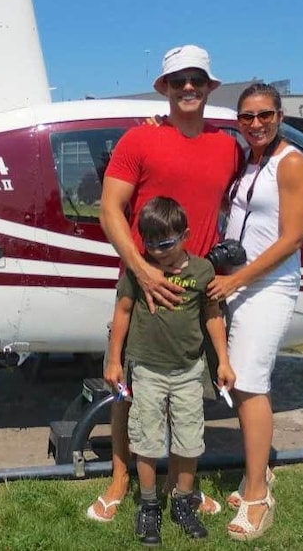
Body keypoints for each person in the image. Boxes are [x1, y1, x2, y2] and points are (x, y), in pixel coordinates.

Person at [87, 44, 243, 523]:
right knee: (129, 388)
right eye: (179, 81)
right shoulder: (139, 141)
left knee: (188, 390)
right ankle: (120, 479)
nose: (189, 87)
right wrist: (142, 270)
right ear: (165, 88)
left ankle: (182, 490)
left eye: (197, 79)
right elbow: (109, 210)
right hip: (145, 282)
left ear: (210, 86)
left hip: (199, 289)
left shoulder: (228, 145)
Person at [207, 83, 303, 541]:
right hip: (241, 282)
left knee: (251, 383)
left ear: (280, 115)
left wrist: (237, 279)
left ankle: (257, 495)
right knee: (238, 382)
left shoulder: (290, 163)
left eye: (264, 114)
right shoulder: (251, 160)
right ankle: (258, 473)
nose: (256, 123)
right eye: (247, 116)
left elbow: (291, 238)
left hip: (267, 285)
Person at [108, 196, 235, 545]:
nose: (158, 252)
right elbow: (122, 312)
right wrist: (114, 359)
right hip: (147, 370)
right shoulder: (140, 270)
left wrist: (223, 360)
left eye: (165, 243)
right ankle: (149, 505)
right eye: (149, 244)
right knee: (147, 440)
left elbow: (212, 316)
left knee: (190, 440)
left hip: (188, 371)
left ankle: (183, 501)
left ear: (186, 235)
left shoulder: (201, 272)